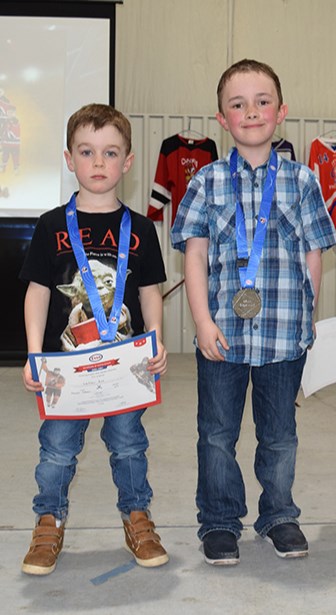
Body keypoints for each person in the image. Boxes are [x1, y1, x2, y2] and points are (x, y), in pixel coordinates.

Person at [171, 59, 336, 566]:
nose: (251, 112)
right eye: (237, 104)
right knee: (217, 434)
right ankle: (220, 521)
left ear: (281, 112)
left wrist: (308, 316)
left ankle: (279, 514)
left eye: (262, 102)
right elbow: (194, 254)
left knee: (280, 434)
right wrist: (201, 321)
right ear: (222, 118)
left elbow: (314, 252)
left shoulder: (303, 181)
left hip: (284, 336)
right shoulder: (206, 182)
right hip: (222, 335)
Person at [20, 104, 169, 575]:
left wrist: (157, 342)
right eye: (87, 152)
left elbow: (150, 293)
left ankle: (137, 517)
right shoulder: (50, 225)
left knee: (129, 444)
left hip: (127, 366)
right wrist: (32, 355)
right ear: (69, 159)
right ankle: (49, 521)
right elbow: (37, 292)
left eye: (110, 153)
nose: (98, 163)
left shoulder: (141, 229)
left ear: (127, 161)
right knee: (58, 448)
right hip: (65, 370)